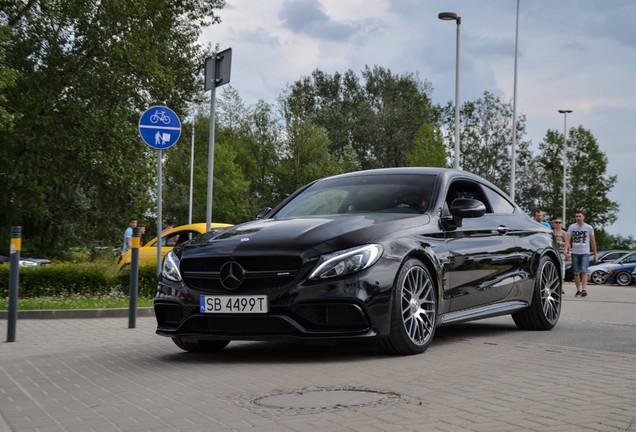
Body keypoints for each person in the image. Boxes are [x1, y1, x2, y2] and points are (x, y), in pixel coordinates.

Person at [565, 210, 598, 297]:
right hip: (575, 253)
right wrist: (566, 249)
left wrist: (595, 255)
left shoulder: (589, 228)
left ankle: (584, 289)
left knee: (584, 271)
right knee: (576, 272)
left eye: (580, 216)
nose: (578, 218)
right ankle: (578, 290)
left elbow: (593, 241)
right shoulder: (572, 227)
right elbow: (568, 239)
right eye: (576, 216)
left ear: (583, 217)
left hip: (585, 253)